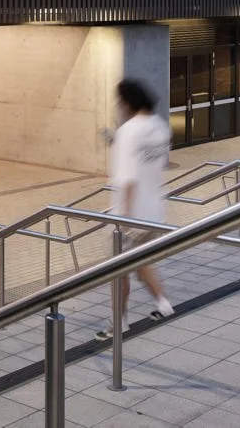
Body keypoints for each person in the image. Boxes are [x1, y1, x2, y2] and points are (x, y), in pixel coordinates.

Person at [98, 78, 174, 338]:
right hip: (154, 210)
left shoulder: (128, 131)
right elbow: (154, 162)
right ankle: (163, 304)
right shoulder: (161, 127)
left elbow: (128, 177)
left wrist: (125, 221)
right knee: (142, 263)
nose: (118, 106)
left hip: (130, 213)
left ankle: (118, 323)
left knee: (118, 273)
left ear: (128, 102)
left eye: (119, 101)